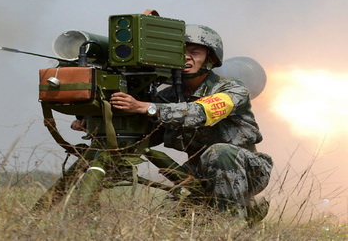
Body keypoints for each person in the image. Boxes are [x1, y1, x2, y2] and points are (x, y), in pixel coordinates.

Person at [75, 24, 273, 222]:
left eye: (195, 52)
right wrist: (98, 122)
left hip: (246, 169)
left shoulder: (232, 89)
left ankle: (230, 229)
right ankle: (248, 210)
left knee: (220, 152)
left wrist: (148, 108)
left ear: (211, 58)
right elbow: (148, 135)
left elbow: (202, 112)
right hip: (199, 171)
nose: (186, 57)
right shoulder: (167, 96)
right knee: (167, 220)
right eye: (181, 52)